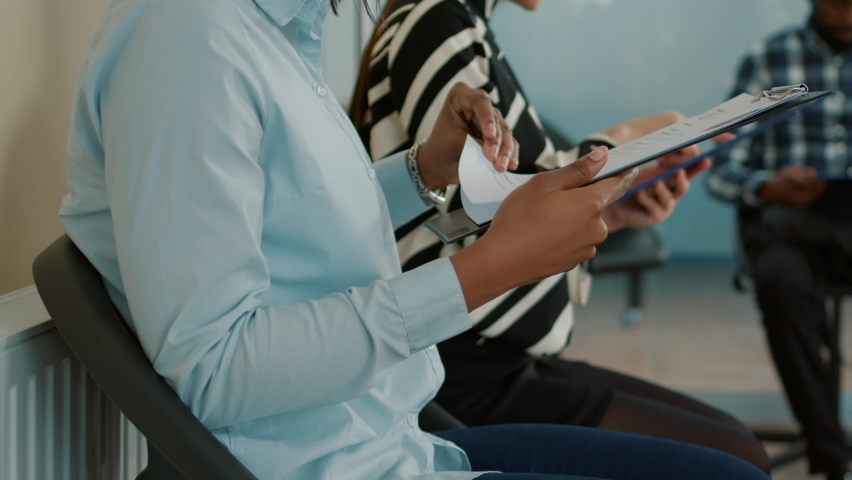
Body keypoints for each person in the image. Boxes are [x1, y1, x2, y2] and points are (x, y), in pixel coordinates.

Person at [57, 0, 772, 478]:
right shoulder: (188, 41)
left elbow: (292, 221)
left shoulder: (272, 33)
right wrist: (485, 271)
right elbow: (218, 370)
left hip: (395, 444)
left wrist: (422, 172)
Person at [350, 0, 770, 472]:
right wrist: (624, 139)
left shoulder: (464, 26)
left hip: (501, 354)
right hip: (465, 364)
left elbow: (499, 206)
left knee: (739, 445)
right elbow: (493, 214)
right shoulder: (436, 20)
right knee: (737, 459)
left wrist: (614, 208)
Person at [708, 0, 852, 478]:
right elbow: (721, 168)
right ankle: (828, 445)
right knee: (779, 279)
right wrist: (768, 186)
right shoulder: (768, 59)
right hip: (791, 228)